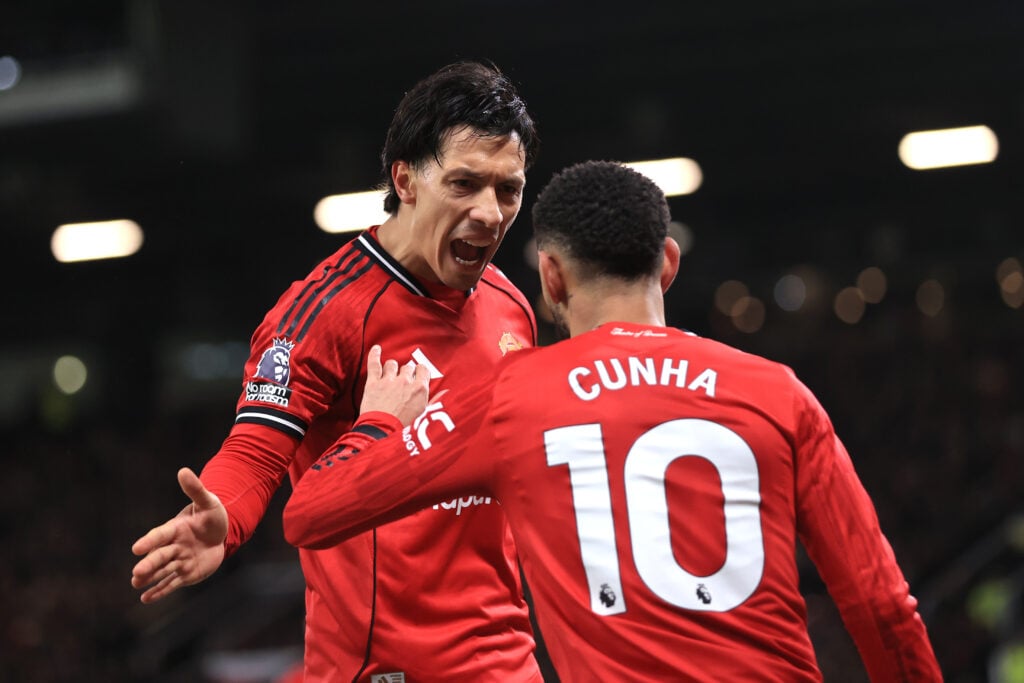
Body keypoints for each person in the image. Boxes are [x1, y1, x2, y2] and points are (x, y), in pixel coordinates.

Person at [282, 160, 944, 681]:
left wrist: (377, 423)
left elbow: (311, 512)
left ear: (551, 278)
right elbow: (882, 606)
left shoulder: (508, 398)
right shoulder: (780, 393)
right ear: (668, 263)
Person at [131, 61, 545, 682]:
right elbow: (255, 451)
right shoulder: (324, 311)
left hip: (506, 660)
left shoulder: (513, 304)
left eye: (507, 189)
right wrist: (224, 516)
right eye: (464, 184)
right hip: (384, 668)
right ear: (405, 179)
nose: (489, 213)